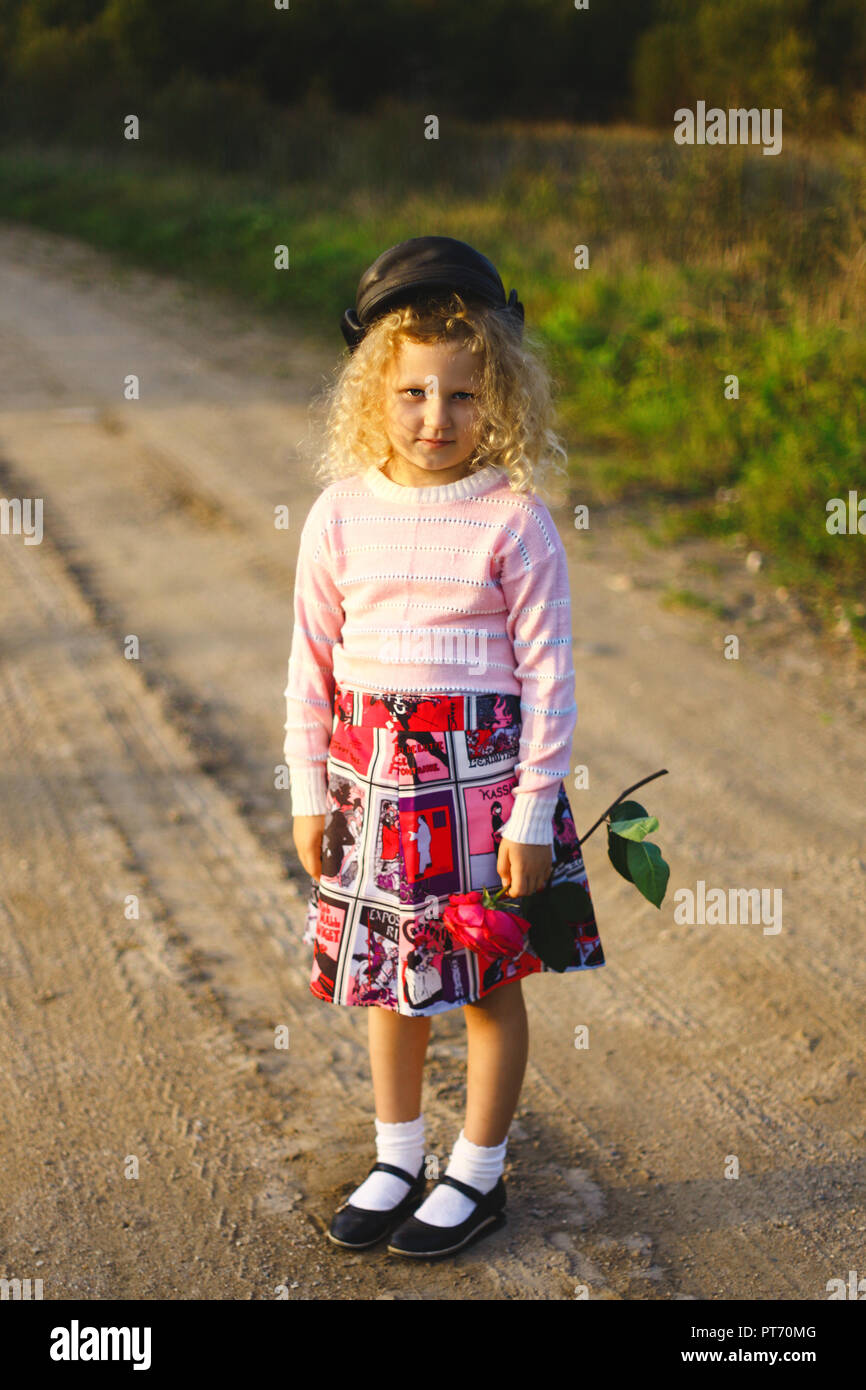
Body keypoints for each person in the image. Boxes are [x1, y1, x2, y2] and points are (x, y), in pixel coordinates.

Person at [283, 236, 605, 1259]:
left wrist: (529, 812)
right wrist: (306, 792)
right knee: (389, 977)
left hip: (482, 791)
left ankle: (477, 1171)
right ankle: (395, 1152)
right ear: (374, 394)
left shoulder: (512, 519)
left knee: (485, 982)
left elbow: (549, 677)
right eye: (412, 394)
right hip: (372, 782)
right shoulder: (338, 515)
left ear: (498, 398)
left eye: (461, 398)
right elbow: (308, 665)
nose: (435, 419)